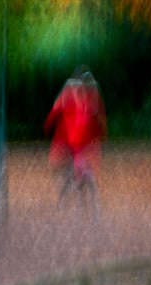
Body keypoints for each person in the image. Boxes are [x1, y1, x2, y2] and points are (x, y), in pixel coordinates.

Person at [44, 65, 106, 211]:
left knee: (78, 176)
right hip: (73, 143)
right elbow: (95, 121)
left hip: (77, 144)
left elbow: (94, 121)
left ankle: (73, 204)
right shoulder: (78, 98)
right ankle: (74, 204)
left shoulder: (83, 100)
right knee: (77, 176)